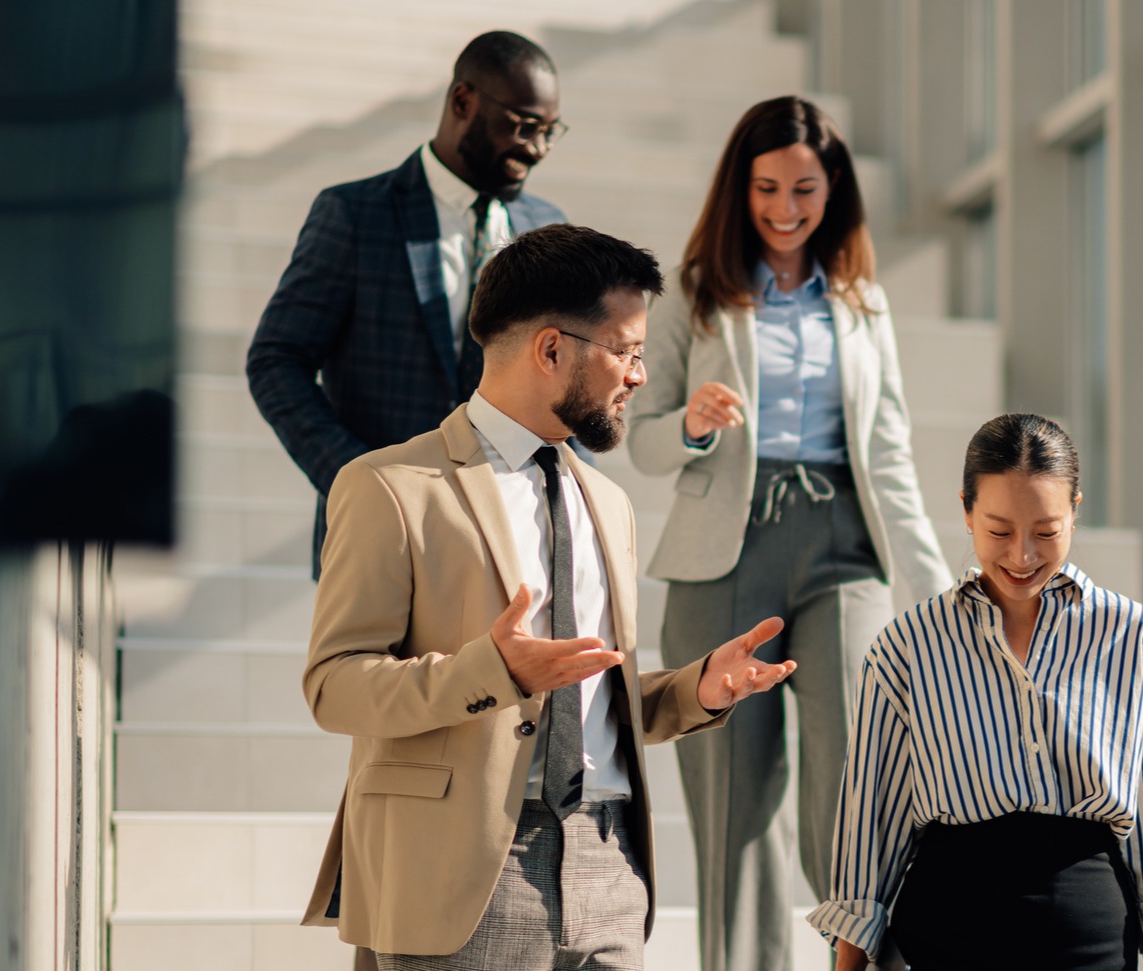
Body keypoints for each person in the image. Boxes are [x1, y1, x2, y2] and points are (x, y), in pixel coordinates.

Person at [298, 223, 799, 971]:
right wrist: (490, 671)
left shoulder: (610, 502)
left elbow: (592, 694)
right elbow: (333, 686)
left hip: (610, 859)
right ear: (552, 348)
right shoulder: (390, 487)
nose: (638, 376)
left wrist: (696, 689)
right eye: (626, 351)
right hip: (460, 868)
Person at [624, 95, 949, 971]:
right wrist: (691, 422)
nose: (783, 207)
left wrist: (943, 593)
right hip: (722, 548)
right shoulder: (694, 294)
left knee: (855, 775)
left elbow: (889, 456)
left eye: (802, 188)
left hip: (844, 546)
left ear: (831, 187)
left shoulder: (861, 305)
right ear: (741, 187)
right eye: (766, 187)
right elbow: (638, 436)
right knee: (733, 802)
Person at [808, 414, 1143, 971]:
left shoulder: (1140, 640)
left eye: (1046, 532)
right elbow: (871, 821)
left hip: (1092, 935)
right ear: (967, 510)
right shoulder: (907, 646)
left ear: (1075, 509)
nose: (1022, 556)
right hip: (945, 934)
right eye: (999, 530)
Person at [247, 30, 574, 577]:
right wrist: (356, 478)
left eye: (548, 131)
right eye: (522, 125)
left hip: (514, 536)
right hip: (379, 539)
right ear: (463, 101)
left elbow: (566, 374)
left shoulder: (548, 226)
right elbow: (276, 360)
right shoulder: (354, 214)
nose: (536, 148)